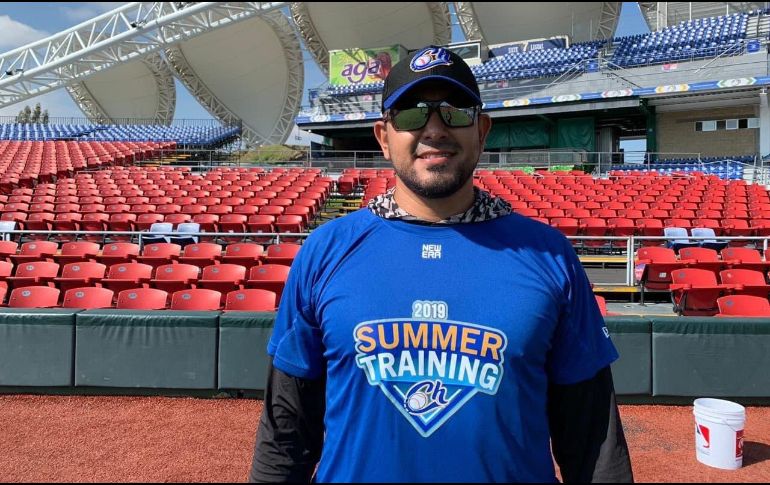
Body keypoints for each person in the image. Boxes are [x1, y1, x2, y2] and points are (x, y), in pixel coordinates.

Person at [249, 45, 634, 483]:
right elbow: (285, 432)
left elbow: (593, 443)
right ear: (382, 135)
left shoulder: (548, 255)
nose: (434, 129)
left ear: (482, 130)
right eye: (411, 113)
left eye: (454, 110)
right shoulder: (324, 251)